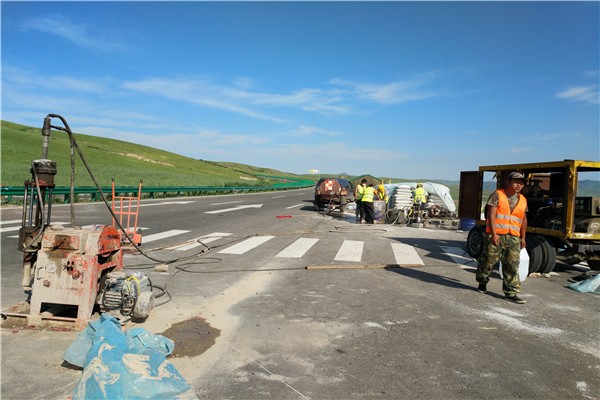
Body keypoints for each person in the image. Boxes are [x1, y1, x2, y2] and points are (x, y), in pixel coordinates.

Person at [476, 172, 529, 304]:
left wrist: (523, 237)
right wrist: (493, 234)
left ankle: (510, 292)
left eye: (521, 183)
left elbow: (523, 219)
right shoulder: (497, 195)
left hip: (513, 237)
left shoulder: (522, 199)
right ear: (508, 182)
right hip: (497, 235)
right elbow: (491, 215)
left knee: (512, 265)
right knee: (488, 260)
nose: (518, 185)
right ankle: (482, 281)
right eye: (516, 182)